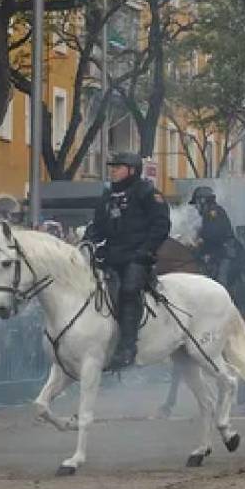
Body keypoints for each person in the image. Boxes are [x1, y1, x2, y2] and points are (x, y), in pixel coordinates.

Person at [83, 152, 171, 371]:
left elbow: (161, 225)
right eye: (112, 167)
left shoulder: (148, 192)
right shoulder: (107, 195)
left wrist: (146, 251)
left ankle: (127, 347)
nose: (112, 170)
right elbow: (99, 226)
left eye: (118, 166)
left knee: (129, 291)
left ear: (132, 170)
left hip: (137, 257)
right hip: (111, 255)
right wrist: (86, 242)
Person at [190, 187, 245, 326]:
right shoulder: (209, 214)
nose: (197, 207)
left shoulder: (213, 213)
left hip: (228, 254)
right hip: (219, 254)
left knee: (220, 284)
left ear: (203, 201)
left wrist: (200, 244)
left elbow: (213, 235)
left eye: (197, 203)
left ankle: (227, 312)